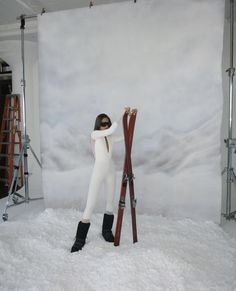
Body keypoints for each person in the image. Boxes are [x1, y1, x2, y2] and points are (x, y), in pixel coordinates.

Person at [71, 111, 125, 253]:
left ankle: (106, 231)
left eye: (107, 122)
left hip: (111, 170)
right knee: (91, 204)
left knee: (110, 202)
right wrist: (122, 114)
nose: (105, 125)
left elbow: (124, 136)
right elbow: (112, 129)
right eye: (103, 123)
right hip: (99, 171)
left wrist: (130, 120)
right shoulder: (95, 135)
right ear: (98, 124)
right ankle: (80, 238)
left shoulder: (110, 137)